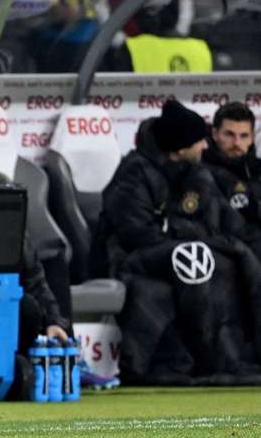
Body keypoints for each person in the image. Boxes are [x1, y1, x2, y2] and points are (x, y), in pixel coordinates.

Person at [97, 100, 261, 384]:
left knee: (233, 257)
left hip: (171, 248)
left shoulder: (195, 172)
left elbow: (226, 221)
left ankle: (241, 355)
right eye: (199, 141)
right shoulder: (134, 172)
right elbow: (137, 234)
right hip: (129, 257)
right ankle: (215, 360)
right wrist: (188, 233)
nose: (205, 147)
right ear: (180, 147)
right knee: (196, 259)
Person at [203, 102, 261, 259]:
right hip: (224, 258)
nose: (237, 143)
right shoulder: (199, 171)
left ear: (252, 138)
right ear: (215, 134)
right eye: (229, 134)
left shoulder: (257, 170)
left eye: (244, 136)